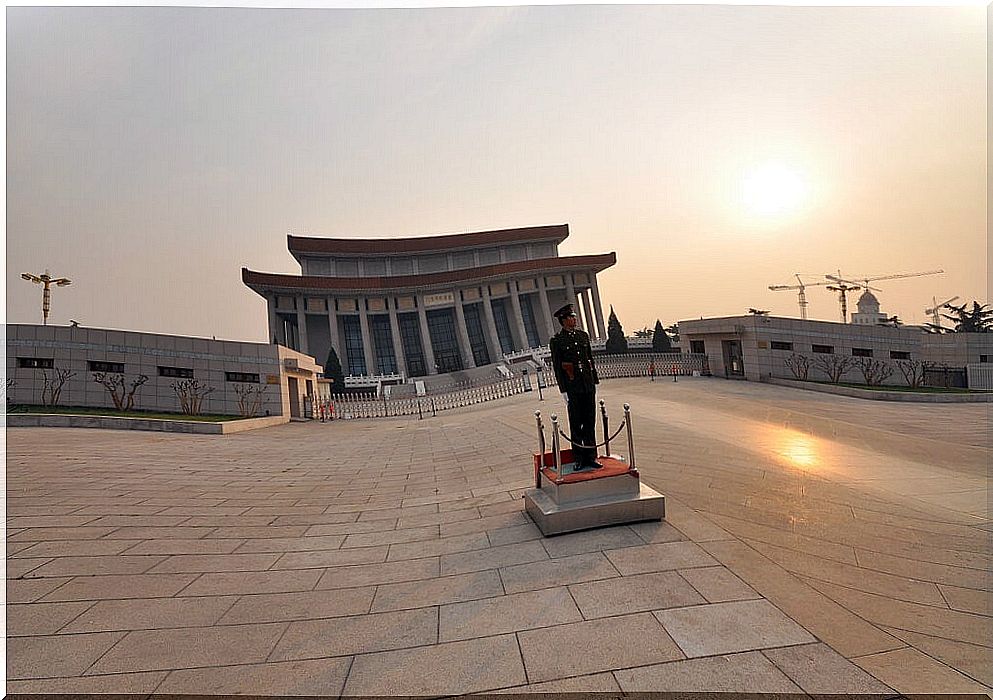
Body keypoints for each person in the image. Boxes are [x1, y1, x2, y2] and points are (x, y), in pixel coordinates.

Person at [549, 303, 603, 470]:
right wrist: (563, 390)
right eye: (571, 317)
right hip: (573, 386)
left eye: (574, 316)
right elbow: (558, 367)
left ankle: (591, 456)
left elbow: (589, 360)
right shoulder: (558, 341)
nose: (574, 319)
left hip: (587, 384)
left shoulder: (583, 336)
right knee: (576, 422)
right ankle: (579, 457)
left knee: (589, 421)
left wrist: (594, 380)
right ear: (564, 320)